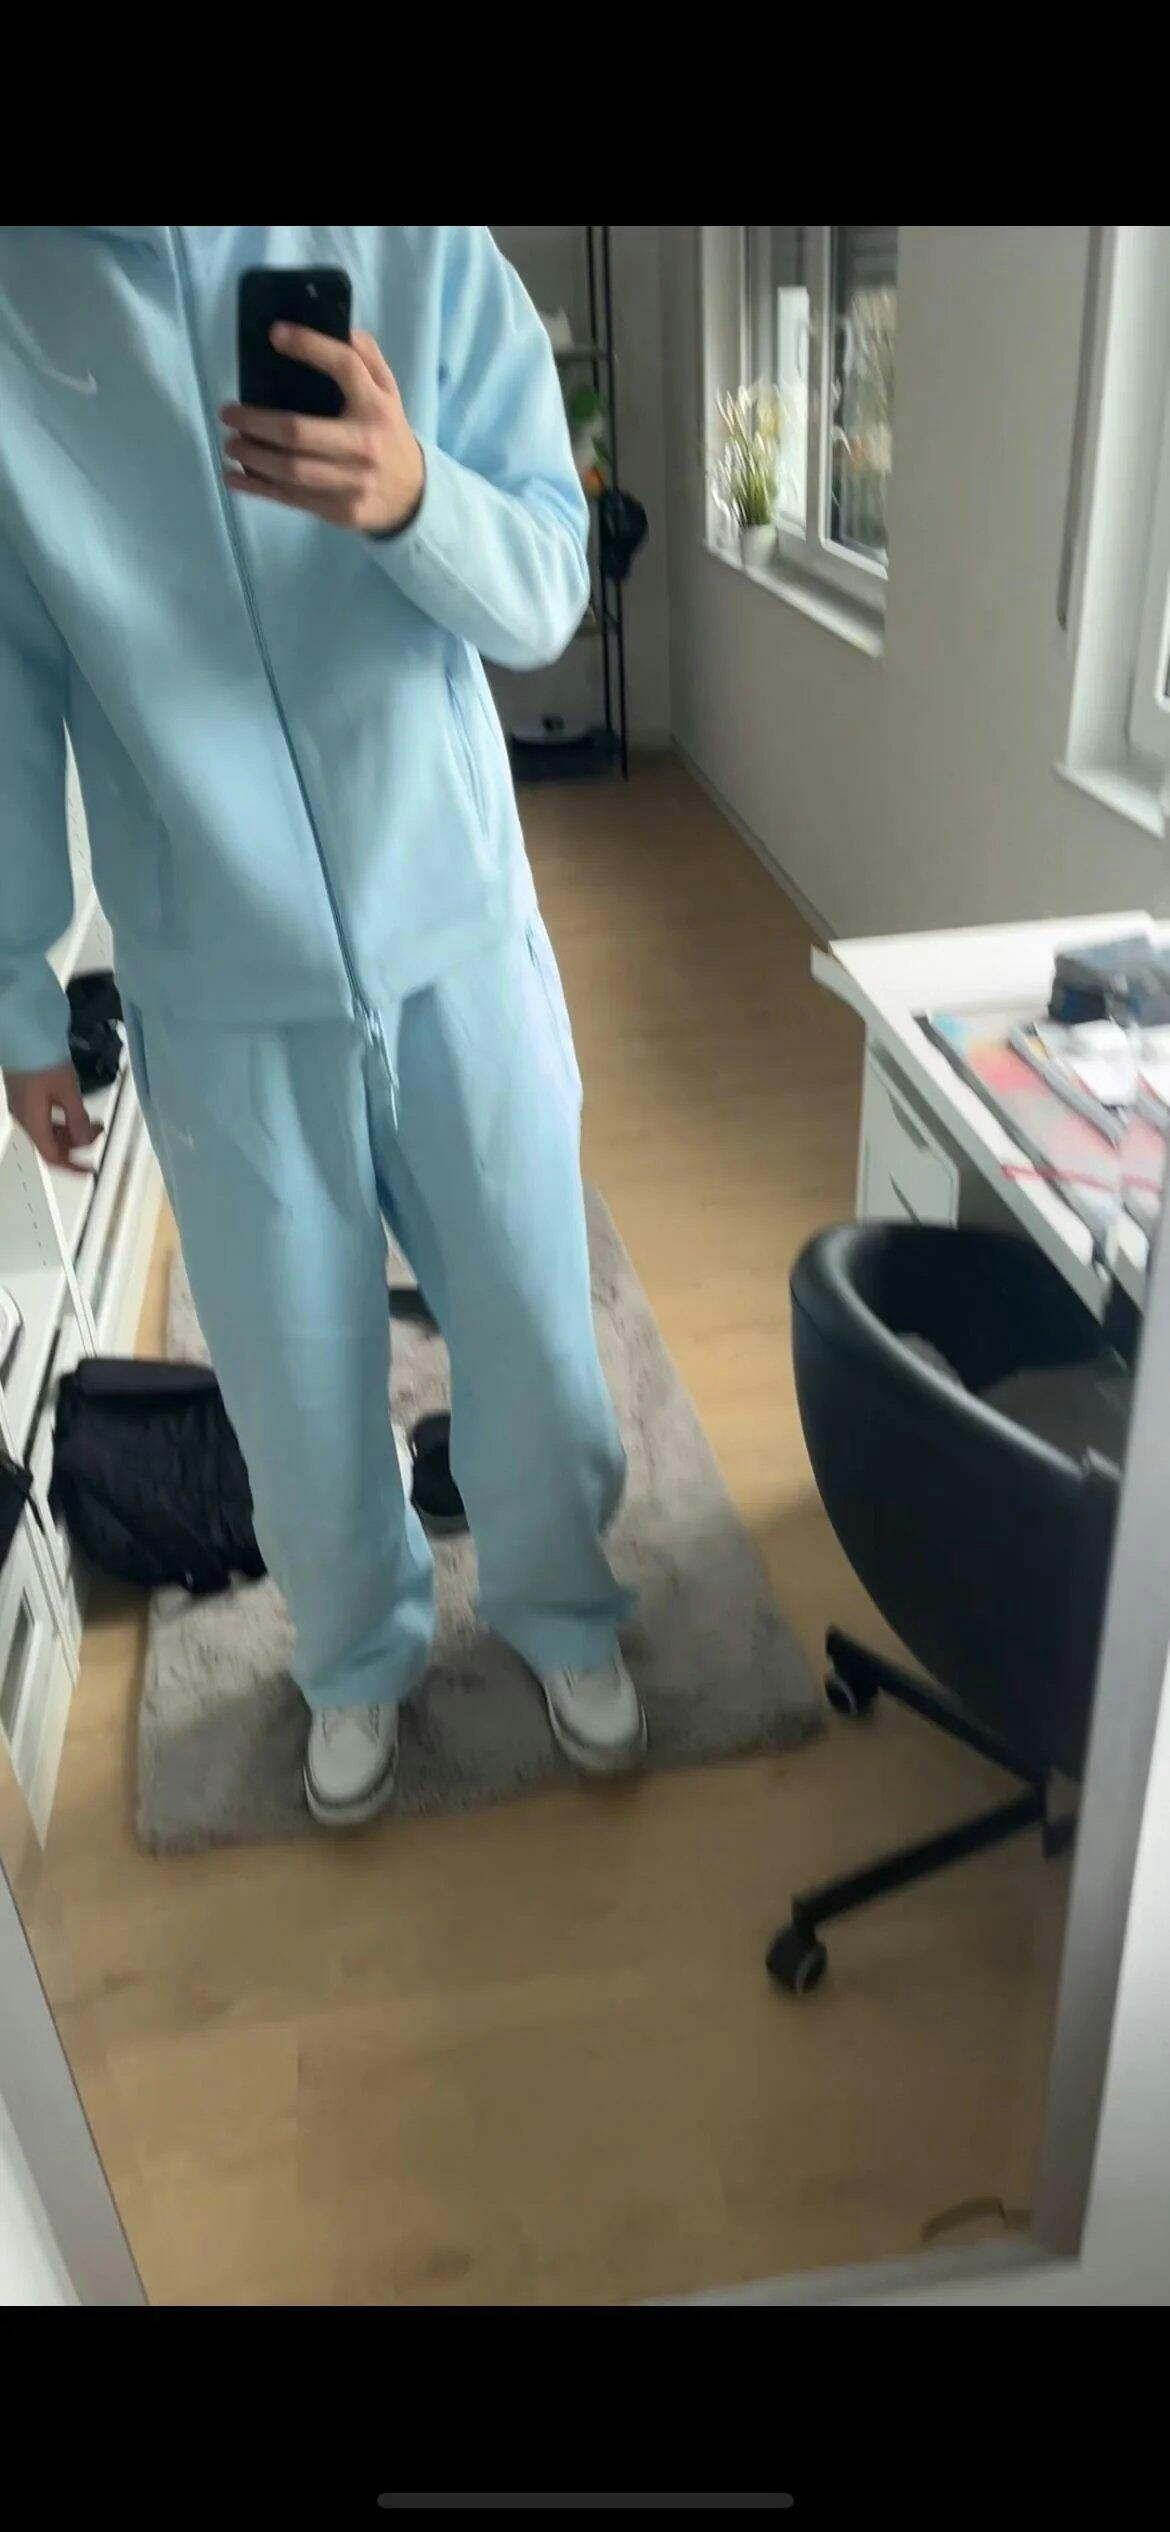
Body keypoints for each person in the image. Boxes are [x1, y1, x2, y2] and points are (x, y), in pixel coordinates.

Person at [0, 225, 644, 1826]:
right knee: (292, 1380)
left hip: (458, 937)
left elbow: (545, 586)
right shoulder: (13, 304)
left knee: (533, 1330)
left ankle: (562, 1610)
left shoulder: (417, 246)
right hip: (215, 975)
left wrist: (414, 498)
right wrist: (19, 996)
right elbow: (3, 693)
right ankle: (355, 1653)